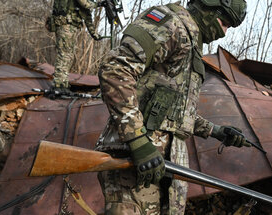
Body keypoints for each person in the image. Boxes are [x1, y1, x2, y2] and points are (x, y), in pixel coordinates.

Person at [95, 0, 248, 214]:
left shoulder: (192, 41)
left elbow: (174, 111)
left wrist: (216, 131)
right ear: (209, 8)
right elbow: (116, 70)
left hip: (167, 164)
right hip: (134, 162)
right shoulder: (171, 23)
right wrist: (138, 140)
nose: (224, 33)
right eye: (224, 23)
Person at [46, 0, 106, 91]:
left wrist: (94, 34)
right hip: (65, 25)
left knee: (68, 55)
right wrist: (99, 4)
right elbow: (86, 4)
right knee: (64, 54)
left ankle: (63, 83)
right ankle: (58, 85)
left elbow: (87, 16)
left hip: (69, 26)